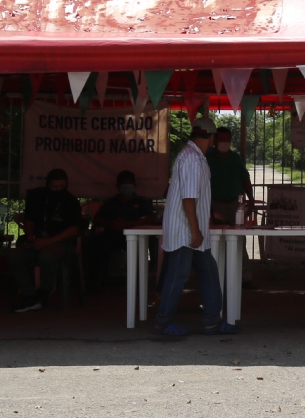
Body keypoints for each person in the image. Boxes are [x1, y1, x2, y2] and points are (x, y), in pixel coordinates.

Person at [155, 117, 237, 337]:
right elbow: (188, 198)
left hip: (192, 227)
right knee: (178, 274)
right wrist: (195, 229)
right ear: (211, 137)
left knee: (208, 271)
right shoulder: (191, 159)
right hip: (186, 229)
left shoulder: (195, 157)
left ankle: (212, 320)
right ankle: (163, 322)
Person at [11, 168, 83, 312]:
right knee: (15, 256)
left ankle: (45, 289)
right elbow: (29, 221)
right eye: (54, 187)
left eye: (61, 187)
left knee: (47, 256)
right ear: (47, 184)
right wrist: (30, 237)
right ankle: (32, 297)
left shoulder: (71, 201)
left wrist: (47, 242)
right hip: (38, 240)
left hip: (61, 243)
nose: (57, 190)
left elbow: (74, 230)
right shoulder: (37, 196)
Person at [83, 169, 157, 293]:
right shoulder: (111, 202)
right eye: (124, 184)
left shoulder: (142, 201)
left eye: (130, 184)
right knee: (94, 243)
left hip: (136, 237)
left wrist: (130, 224)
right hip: (114, 235)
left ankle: (146, 280)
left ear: (134, 185)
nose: (127, 187)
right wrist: (111, 224)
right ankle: (94, 281)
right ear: (118, 187)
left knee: (151, 242)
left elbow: (149, 218)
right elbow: (97, 218)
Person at [206, 127, 253, 224]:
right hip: (214, 205)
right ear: (214, 140)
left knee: (237, 235)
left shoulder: (236, 158)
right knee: (216, 236)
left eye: (228, 139)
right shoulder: (207, 158)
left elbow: (245, 179)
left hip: (235, 205)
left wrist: (251, 200)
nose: (225, 142)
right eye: (222, 139)